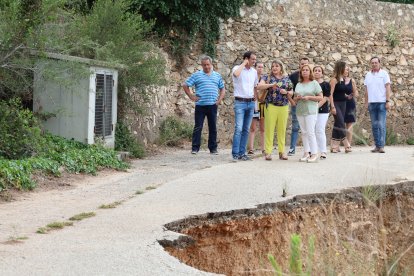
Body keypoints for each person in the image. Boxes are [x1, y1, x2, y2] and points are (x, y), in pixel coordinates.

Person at [183, 56, 225, 155]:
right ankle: (195, 148)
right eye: (204, 65)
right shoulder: (197, 75)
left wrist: (219, 100)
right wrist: (191, 96)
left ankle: (213, 148)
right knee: (198, 127)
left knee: (213, 127)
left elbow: (222, 88)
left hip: (212, 105)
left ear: (211, 64)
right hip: (200, 105)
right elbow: (185, 85)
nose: (206, 67)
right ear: (201, 65)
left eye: (208, 64)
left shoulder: (217, 76)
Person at [257, 60, 293, 161]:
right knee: (269, 129)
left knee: (282, 130)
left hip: (284, 106)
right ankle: (268, 152)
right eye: (273, 66)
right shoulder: (267, 77)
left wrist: (286, 92)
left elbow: (291, 91)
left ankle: (282, 152)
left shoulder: (286, 78)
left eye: (277, 66)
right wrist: (270, 85)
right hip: (271, 106)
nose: (274, 68)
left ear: (281, 67)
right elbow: (259, 86)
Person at [231, 51, 258, 161]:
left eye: (255, 59)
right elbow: (236, 74)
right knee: (238, 128)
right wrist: (243, 63)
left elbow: (255, 85)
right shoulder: (237, 68)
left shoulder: (254, 72)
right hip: (240, 102)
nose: (254, 61)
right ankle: (235, 154)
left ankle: (242, 153)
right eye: (252, 59)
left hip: (250, 102)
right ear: (246, 59)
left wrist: (255, 98)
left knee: (246, 129)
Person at [293, 64, 323, 163]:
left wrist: (309, 97)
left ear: (310, 72)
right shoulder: (298, 84)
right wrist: (297, 98)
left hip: (311, 110)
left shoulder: (314, 83)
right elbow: (294, 99)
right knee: (304, 132)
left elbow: (320, 97)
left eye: (307, 70)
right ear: (301, 72)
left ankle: (314, 154)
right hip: (300, 110)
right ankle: (306, 152)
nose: (305, 71)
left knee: (310, 132)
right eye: (303, 70)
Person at [364, 56, 391, 153]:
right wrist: (366, 102)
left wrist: (388, 101)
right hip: (372, 103)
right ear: (370, 64)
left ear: (379, 63)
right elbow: (366, 90)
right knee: (374, 125)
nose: (374, 64)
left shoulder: (384, 74)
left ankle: (381, 146)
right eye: (372, 63)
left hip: (382, 103)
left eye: (376, 62)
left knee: (381, 125)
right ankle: (377, 145)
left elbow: (388, 87)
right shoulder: (368, 75)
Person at [288, 57, 310, 156]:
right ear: (299, 65)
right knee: (295, 126)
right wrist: (292, 102)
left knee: (309, 127)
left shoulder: (312, 76)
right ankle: (292, 148)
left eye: (306, 64)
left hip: (309, 105)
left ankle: (310, 149)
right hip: (296, 104)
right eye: (302, 64)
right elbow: (288, 90)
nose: (303, 65)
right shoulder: (293, 76)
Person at [329, 61, 352, 153]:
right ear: (341, 68)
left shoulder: (343, 79)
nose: (347, 71)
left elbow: (340, 92)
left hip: (343, 103)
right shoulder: (334, 80)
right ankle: (346, 144)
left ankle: (333, 146)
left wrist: (347, 96)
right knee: (341, 123)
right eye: (346, 69)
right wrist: (332, 106)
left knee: (337, 124)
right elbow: (330, 94)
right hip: (335, 103)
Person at [313, 65, 331, 159]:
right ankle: (314, 151)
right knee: (312, 131)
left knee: (320, 130)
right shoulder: (310, 84)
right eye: (315, 70)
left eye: (319, 71)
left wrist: (316, 106)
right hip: (310, 111)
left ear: (322, 73)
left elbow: (325, 98)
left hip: (323, 111)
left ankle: (323, 151)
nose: (317, 72)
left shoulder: (326, 84)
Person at [247, 62, 265, 155]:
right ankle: (251, 148)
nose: (260, 69)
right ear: (255, 67)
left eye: (262, 67)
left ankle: (263, 148)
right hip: (253, 104)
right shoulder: (251, 77)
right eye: (258, 67)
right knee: (253, 127)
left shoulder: (264, 79)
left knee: (263, 128)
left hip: (262, 104)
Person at [344, 65, 359, 145]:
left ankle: (348, 144)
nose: (346, 71)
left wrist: (353, 93)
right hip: (340, 103)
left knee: (349, 124)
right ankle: (338, 144)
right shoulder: (337, 80)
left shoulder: (351, 80)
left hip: (350, 103)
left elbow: (356, 94)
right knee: (340, 124)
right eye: (344, 70)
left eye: (347, 70)